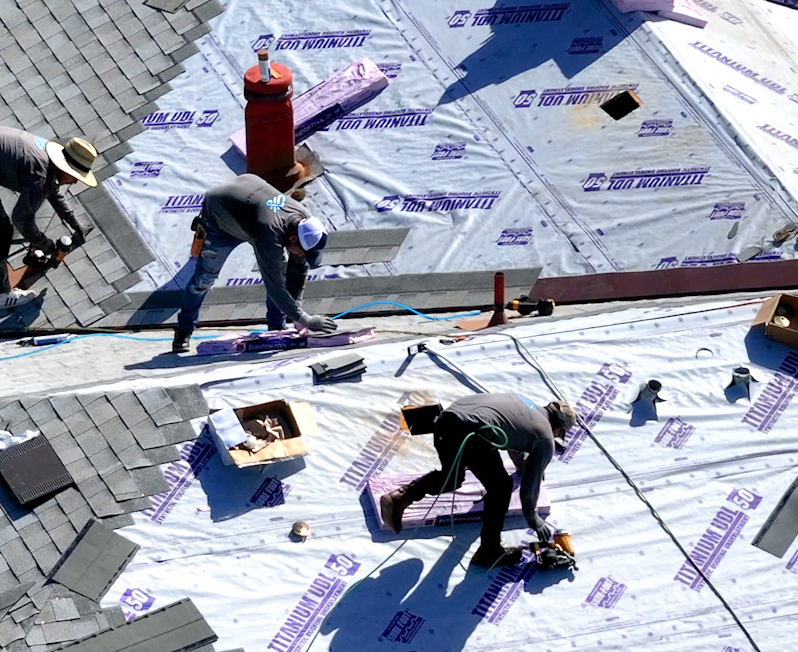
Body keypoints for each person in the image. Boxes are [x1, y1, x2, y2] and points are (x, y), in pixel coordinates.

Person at [378, 392, 577, 569]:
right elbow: (529, 489)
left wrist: (522, 465)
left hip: (446, 420)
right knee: (501, 487)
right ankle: (489, 552)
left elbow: (509, 435)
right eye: (560, 434)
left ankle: (401, 497)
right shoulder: (545, 438)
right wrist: (533, 518)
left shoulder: (522, 401)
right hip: (470, 433)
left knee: (452, 478)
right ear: (559, 428)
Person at [171, 174, 336, 354]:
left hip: (247, 204)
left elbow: (298, 269)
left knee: (281, 273)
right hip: (219, 218)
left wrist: (296, 313)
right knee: (203, 280)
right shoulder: (269, 232)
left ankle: (276, 331)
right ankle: (183, 330)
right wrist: (306, 320)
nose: (301, 256)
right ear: (293, 238)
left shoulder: (306, 222)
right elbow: (275, 287)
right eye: (301, 252)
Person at [0, 126, 99, 310]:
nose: (74, 182)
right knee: (1, 229)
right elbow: (21, 220)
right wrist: (45, 244)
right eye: (75, 176)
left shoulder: (48, 159)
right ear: (66, 167)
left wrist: (75, 223)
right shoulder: (40, 175)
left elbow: (53, 192)